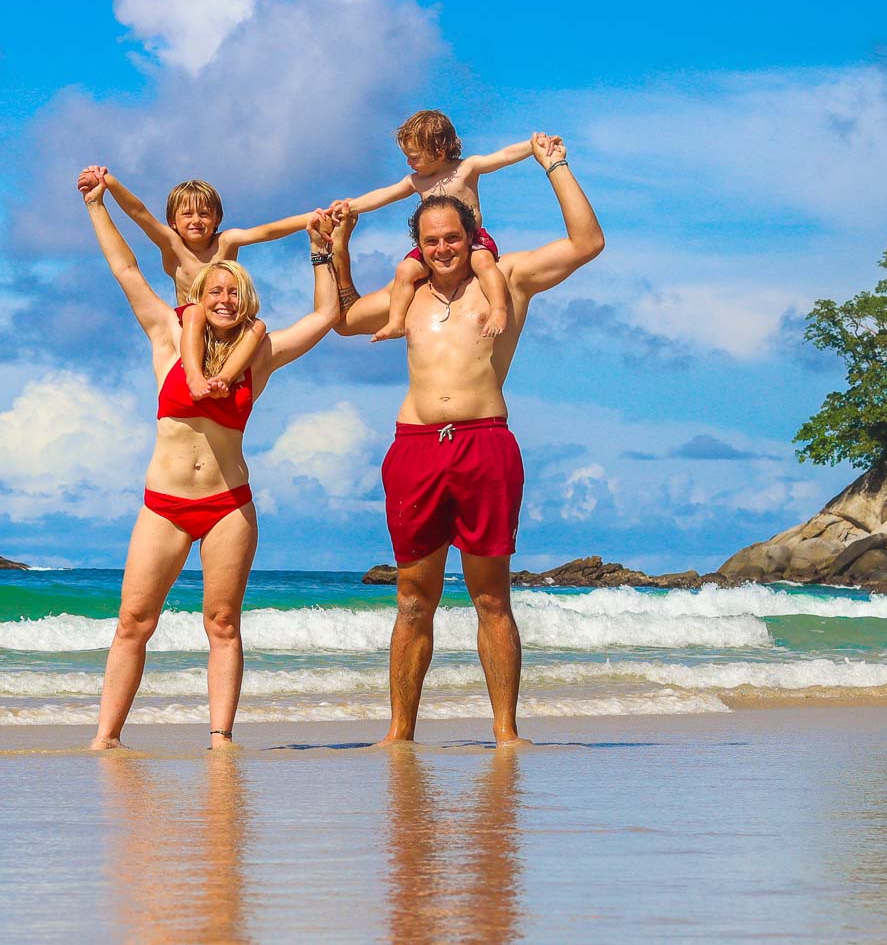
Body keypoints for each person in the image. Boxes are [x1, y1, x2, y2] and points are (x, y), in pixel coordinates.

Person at [329, 133, 603, 746]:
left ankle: (506, 732)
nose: (442, 249)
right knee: (411, 600)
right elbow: (345, 320)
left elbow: (588, 243)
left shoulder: (505, 278)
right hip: (415, 448)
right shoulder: (411, 294)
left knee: (492, 600)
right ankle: (400, 733)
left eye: (452, 237)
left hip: (484, 444)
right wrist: (336, 249)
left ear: (471, 233)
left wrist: (555, 166)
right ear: (417, 247)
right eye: (430, 241)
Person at [76, 166, 343, 750]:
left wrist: (322, 251)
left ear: (245, 300)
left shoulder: (259, 354)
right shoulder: (166, 335)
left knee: (222, 625)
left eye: (233, 292)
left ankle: (221, 737)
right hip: (164, 505)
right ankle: (106, 737)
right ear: (199, 295)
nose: (223, 298)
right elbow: (126, 268)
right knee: (133, 624)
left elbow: (324, 318)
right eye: (213, 290)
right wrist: (98, 205)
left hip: (228, 504)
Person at [86, 168, 316, 399]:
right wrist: (110, 183)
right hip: (189, 326)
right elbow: (139, 213)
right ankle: (194, 376)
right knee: (195, 311)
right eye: (187, 214)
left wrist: (313, 218)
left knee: (257, 326)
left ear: (217, 219)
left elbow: (267, 232)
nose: (196, 220)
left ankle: (225, 377)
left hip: (223, 325)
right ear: (172, 221)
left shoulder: (226, 242)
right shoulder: (172, 246)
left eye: (204, 214)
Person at [341, 110, 543, 343]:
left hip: (472, 240)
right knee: (404, 271)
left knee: (484, 263)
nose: (409, 162)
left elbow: (504, 156)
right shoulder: (417, 181)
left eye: (414, 157)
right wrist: (350, 206)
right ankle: (396, 322)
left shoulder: (467, 168)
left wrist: (532, 146)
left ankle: (499, 310)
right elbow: (385, 195)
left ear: (439, 151)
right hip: (435, 247)